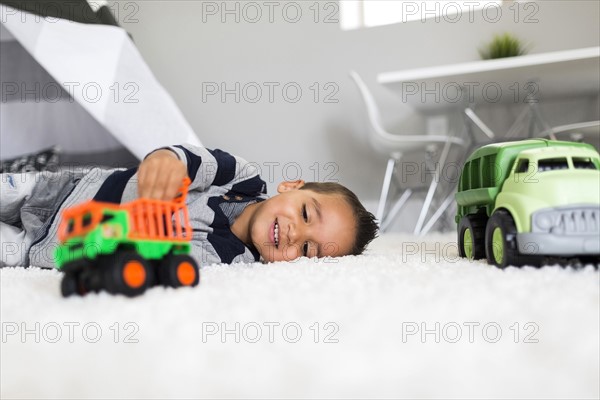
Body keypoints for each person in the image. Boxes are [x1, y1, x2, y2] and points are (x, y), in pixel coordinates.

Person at [0, 144, 378, 268]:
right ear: (291, 186)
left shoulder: (233, 263)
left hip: (42, 247)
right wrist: (168, 161)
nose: (296, 234)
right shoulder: (241, 177)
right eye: (306, 213)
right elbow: (191, 159)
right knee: (9, 189)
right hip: (63, 188)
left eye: (308, 250)